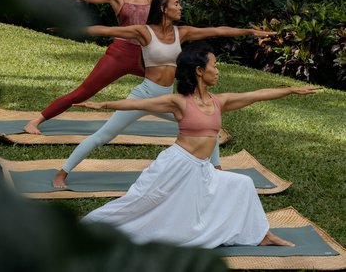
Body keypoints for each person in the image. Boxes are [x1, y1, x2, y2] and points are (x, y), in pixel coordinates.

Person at [76, 42, 322, 249]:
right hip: (175, 165)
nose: (217, 71)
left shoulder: (219, 101)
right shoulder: (179, 102)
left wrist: (291, 90)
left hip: (201, 170)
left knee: (243, 183)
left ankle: (262, 236)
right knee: (138, 203)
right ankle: (86, 227)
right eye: (214, 66)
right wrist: (104, 105)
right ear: (198, 70)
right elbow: (140, 104)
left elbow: (257, 94)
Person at [51, 0, 275, 188]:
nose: (180, 7)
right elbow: (105, 30)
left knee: (211, 123)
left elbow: (217, 30)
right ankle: (61, 174)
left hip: (170, 101)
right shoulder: (144, 32)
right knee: (103, 135)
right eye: (176, 4)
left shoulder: (182, 33)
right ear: (163, 9)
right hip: (145, 95)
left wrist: (249, 32)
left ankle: (216, 171)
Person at [24, 0, 234, 135]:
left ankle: (203, 119)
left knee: (189, 80)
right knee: (83, 92)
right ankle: (36, 121)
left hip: (150, 56)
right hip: (120, 54)